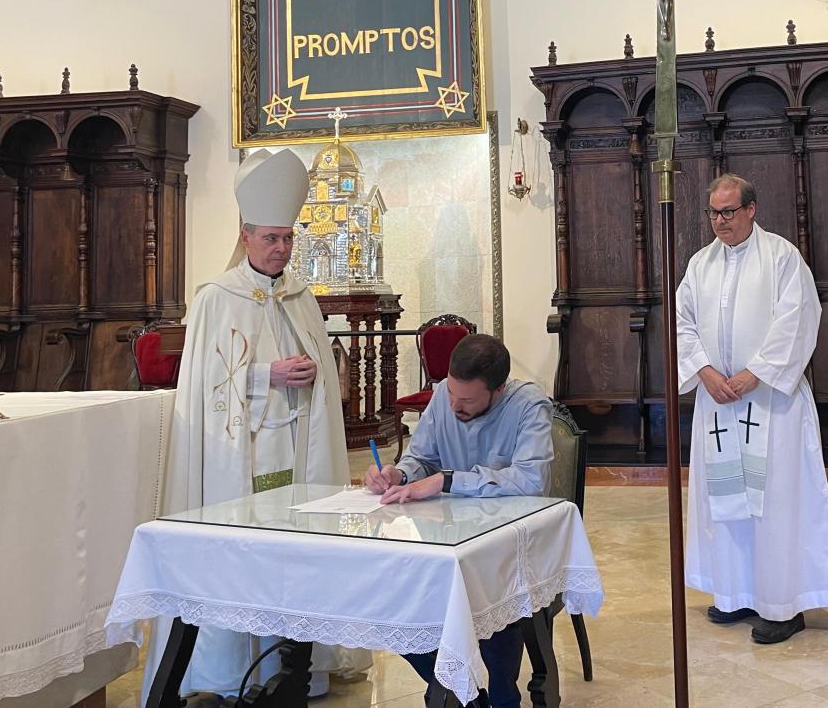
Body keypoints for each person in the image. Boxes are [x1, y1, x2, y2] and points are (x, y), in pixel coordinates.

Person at [156, 149, 369, 703]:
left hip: (295, 448)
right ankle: (228, 671)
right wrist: (265, 375)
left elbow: (321, 368)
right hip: (242, 455)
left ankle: (299, 668)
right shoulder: (214, 299)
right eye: (271, 238)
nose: (281, 249)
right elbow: (205, 387)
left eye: (288, 238)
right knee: (243, 553)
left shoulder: (302, 298)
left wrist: (313, 372)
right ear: (246, 236)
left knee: (295, 551)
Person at [675, 174, 828, 645]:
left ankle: (782, 604)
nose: (720, 221)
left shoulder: (781, 257)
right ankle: (736, 593)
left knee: (776, 503)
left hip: (771, 402)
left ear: (751, 210)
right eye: (713, 212)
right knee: (727, 502)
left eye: (728, 211)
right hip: (718, 403)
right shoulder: (700, 264)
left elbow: (797, 319)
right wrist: (705, 372)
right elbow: (683, 323)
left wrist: (756, 373)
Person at [365, 333, 552, 708]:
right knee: (393, 600)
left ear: (498, 389)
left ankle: (500, 697)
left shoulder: (530, 405)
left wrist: (449, 480)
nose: (454, 405)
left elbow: (532, 480)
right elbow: (422, 458)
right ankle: (464, 692)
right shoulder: (441, 397)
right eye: (451, 392)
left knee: (495, 598)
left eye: (467, 400)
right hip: (447, 535)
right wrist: (399, 474)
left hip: (505, 541)